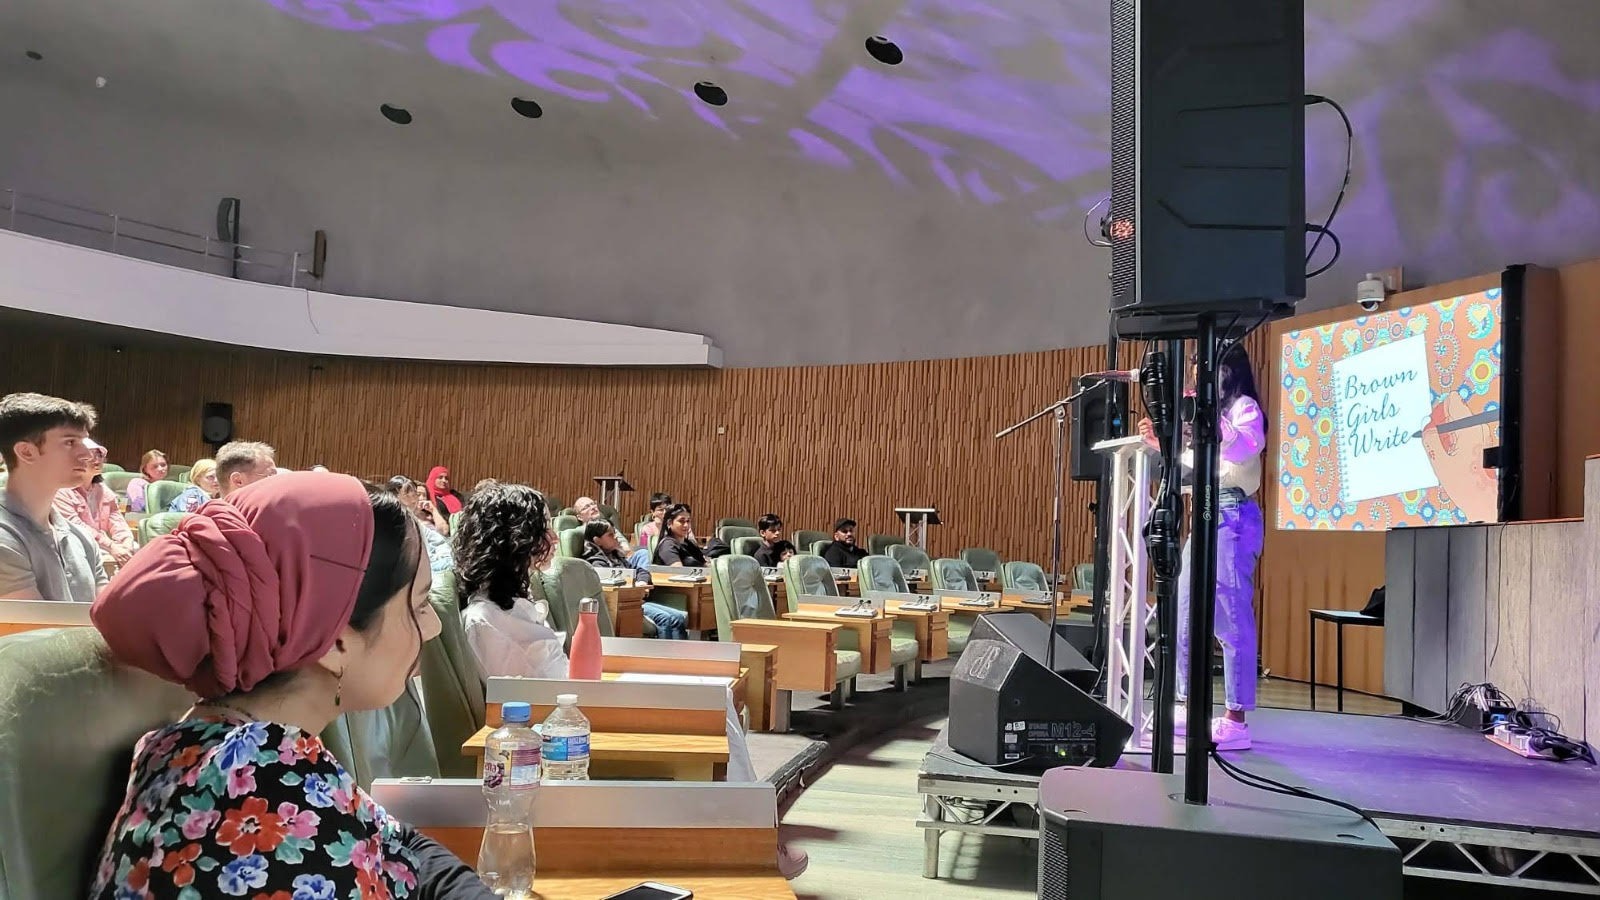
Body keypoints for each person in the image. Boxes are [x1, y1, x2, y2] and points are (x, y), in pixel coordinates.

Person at [88, 473, 498, 897]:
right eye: (419, 605)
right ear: (335, 641)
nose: (432, 628)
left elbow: (398, 844)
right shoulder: (262, 817)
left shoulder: (233, 753)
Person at [1138, 341, 1266, 751]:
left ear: (1226, 369)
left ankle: (1236, 717)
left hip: (1232, 512)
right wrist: (1164, 445)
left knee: (1230, 613)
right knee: (1186, 608)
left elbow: (1245, 447)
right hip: (1206, 512)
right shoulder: (1210, 413)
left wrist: (1208, 415)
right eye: (1195, 364)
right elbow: (1201, 466)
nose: (1195, 370)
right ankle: (1186, 702)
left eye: (1202, 364)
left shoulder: (1244, 407)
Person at [452, 481, 568, 679]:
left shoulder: (518, 602)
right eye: (544, 528)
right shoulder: (484, 621)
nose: (555, 537)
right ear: (514, 537)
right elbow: (517, 695)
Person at [0, 392, 107, 602]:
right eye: (70, 442)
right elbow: (34, 624)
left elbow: (108, 613)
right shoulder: (4, 537)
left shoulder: (82, 537)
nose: (87, 454)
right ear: (26, 452)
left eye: (84, 441)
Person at [582, 520, 689, 640]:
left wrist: (641, 582)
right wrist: (634, 587)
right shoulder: (596, 564)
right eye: (610, 535)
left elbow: (641, 571)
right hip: (621, 605)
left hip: (635, 601)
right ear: (597, 540)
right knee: (667, 619)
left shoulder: (617, 556)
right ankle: (663, 652)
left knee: (678, 617)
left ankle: (678, 651)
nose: (616, 537)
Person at [54, 440, 137, 573]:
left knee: (135, 550)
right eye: (90, 454)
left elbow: (118, 521)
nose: (96, 459)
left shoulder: (103, 490)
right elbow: (77, 528)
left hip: (102, 545)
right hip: (77, 546)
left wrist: (126, 543)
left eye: (99, 455)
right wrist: (111, 546)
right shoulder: (61, 490)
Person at [387, 475, 453, 573]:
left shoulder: (415, 522)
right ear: (395, 496)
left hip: (429, 563)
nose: (414, 500)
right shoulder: (390, 522)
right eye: (407, 495)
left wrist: (445, 556)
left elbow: (439, 540)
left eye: (414, 494)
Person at [652, 503, 706, 567]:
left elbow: (705, 565)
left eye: (688, 521)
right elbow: (677, 570)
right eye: (681, 521)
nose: (686, 525)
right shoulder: (667, 545)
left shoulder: (689, 544)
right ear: (669, 523)